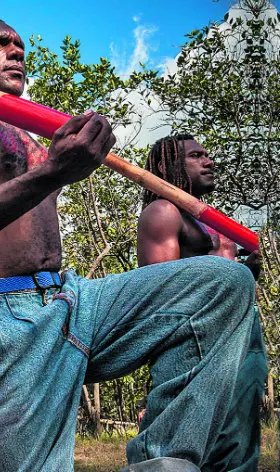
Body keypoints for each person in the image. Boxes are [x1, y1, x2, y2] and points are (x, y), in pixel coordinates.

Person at [0, 17, 256, 471]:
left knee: (221, 284)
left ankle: (164, 462)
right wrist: (53, 172)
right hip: (0, 318)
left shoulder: (30, 135)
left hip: (72, 298)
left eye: (18, 44)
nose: (16, 51)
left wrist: (62, 162)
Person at [137, 134, 267, 470]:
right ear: (167, 165)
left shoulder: (215, 222)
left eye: (207, 155)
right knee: (180, 445)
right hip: (200, 337)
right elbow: (164, 296)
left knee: (237, 443)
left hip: (244, 329)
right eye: (197, 156)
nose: (209, 161)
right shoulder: (163, 212)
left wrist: (245, 274)